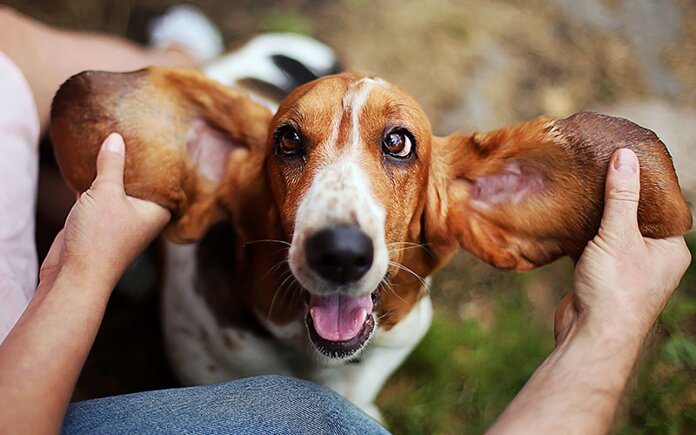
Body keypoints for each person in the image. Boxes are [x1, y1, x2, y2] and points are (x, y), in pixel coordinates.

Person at [0, 6, 691, 434]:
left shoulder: (446, 210)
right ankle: (197, 61)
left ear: (443, 193)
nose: (339, 232)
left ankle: (194, 53)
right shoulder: (229, 187)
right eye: (293, 147)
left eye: (396, 147)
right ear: (239, 170)